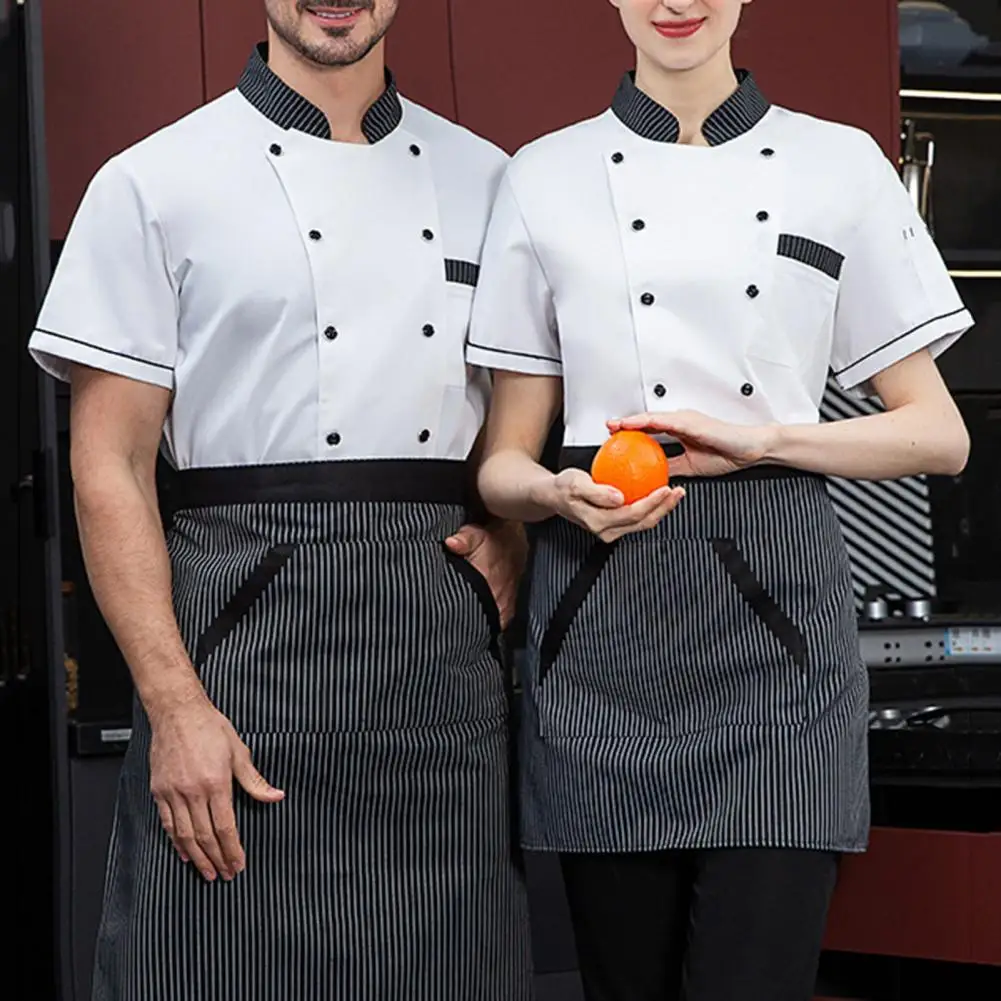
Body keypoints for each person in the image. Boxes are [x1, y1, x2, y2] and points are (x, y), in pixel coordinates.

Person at [466, 1, 972, 999]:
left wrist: (769, 438)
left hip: (778, 633)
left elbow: (938, 434)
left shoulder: (838, 167)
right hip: (598, 616)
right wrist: (558, 496)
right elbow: (500, 466)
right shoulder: (541, 176)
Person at [28, 2, 533, 999]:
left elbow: (516, 414)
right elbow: (110, 468)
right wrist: (173, 709)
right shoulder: (153, 182)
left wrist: (510, 527)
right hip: (240, 650)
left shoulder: (492, 182)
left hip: (438, 663)